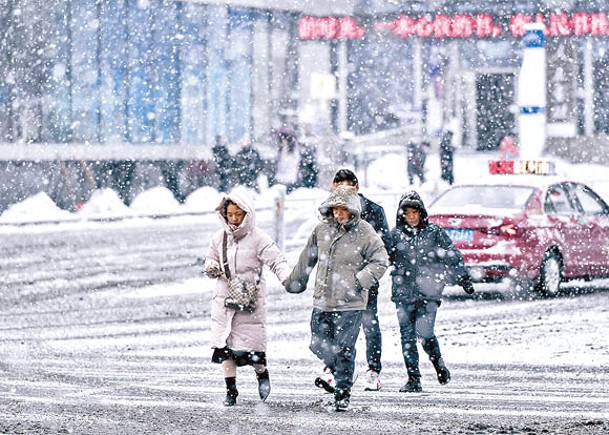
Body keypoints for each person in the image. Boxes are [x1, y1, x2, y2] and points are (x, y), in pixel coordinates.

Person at [284, 185, 388, 411]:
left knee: (344, 348)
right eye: (335, 209)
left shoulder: (365, 231)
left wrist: (360, 280)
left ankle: (343, 394)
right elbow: (307, 257)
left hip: (350, 302)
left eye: (343, 209)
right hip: (323, 299)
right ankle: (344, 372)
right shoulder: (321, 231)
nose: (338, 214)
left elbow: (380, 260)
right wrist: (295, 281)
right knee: (317, 343)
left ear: (353, 210)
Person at [204, 186, 292, 407]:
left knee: (252, 349)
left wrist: (288, 279)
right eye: (230, 214)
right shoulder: (219, 238)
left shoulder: (258, 238)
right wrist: (212, 267)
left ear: (247, 213)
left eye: (238, 214)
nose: (233, 219)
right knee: (225, 348)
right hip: (224, 300)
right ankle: (231, 390)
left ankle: (262, 374)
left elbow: (276, 260)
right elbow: (210, 260)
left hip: (249, 300)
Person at [384, 191, 475, 393]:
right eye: (407, 213)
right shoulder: (394, 235)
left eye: (415, 212)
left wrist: (464, 278)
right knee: (407, 336)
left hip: (429, 293)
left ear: (421, 212)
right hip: (403, 293)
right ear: (402, 215)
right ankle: (413, 378)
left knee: (424, 333)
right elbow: (381, 259)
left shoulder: (434, 232)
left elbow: (452, 255)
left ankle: (438, 364)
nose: (412, 216)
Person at [332, 169, 389, 392]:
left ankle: (373, 370)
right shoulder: (331, 213)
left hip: (364, 279)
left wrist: (365, 274)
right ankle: (339, 369)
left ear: (356, 187)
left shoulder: (373, 211)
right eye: (338, 189)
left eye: (346, 188)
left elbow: (384, 248)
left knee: (369, 323)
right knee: (338, 326)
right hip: (337, 280)